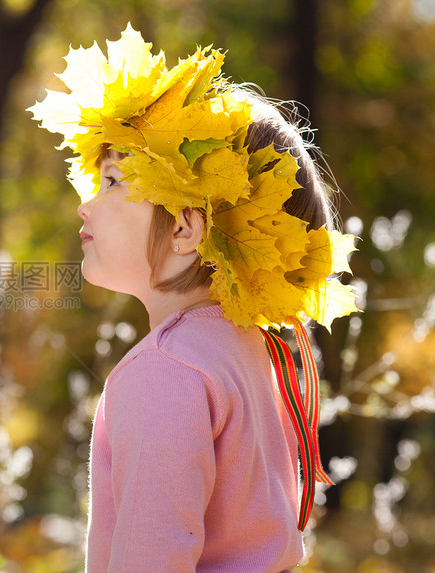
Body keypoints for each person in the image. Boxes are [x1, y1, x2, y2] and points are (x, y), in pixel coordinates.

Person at [28, 24, 359, 571]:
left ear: (184, 230)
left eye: (112, 181)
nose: (86, 204)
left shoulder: (165, 372)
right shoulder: (247, 352)